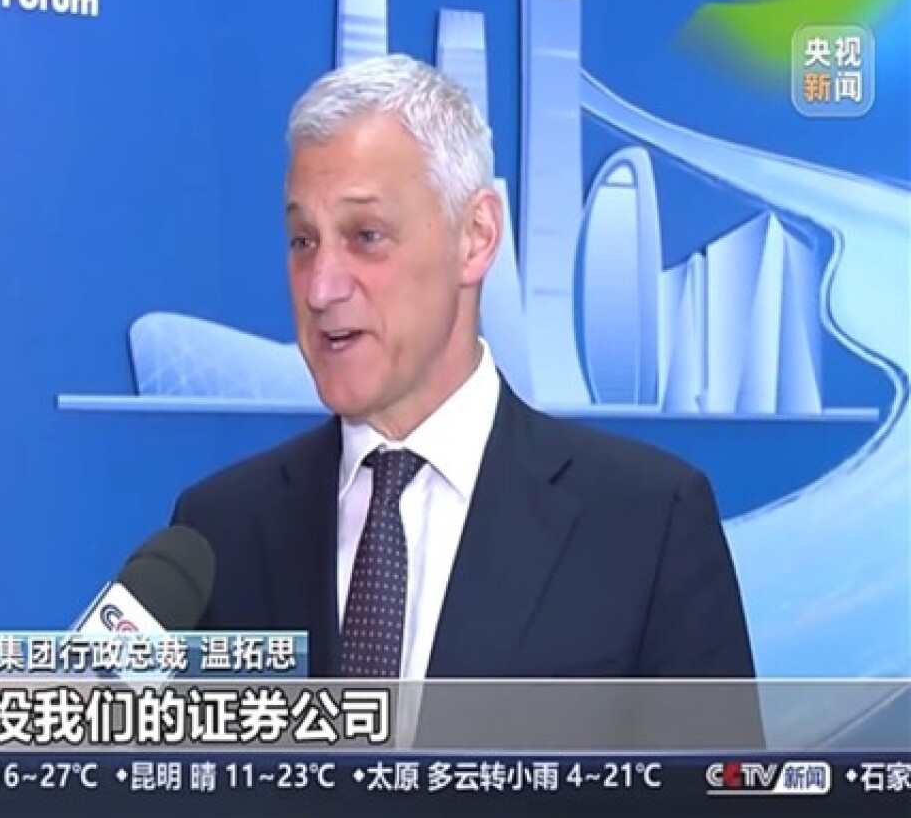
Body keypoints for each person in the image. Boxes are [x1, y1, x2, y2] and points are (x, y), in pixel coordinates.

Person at [170, 54, 757, 684]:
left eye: (366, 235)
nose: (320, 287)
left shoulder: (647, 525)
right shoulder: (218, 533)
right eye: (303, 241)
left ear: (476, 237)